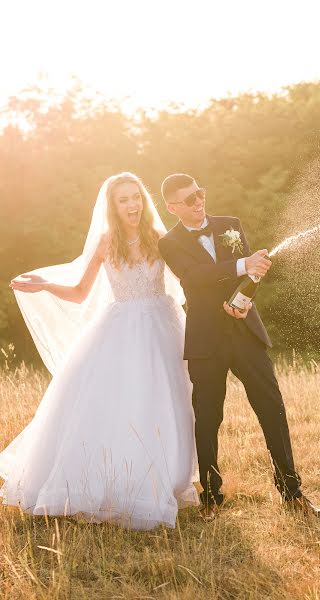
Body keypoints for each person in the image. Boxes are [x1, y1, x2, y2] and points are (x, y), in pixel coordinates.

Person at [0, 172, 198, 530]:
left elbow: (191, 278)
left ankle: (165, 477)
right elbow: (79, 292)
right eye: (123, 199)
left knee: (167, 402)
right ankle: (115, 481)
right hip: (121, 330)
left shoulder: (160, 238)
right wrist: (44, 285)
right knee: (119, 402)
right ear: (113, 206)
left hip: (162, 327)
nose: (132, 204)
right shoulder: (107, 243)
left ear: (144, 199)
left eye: (135, 196)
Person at [158, 173, 320, 521]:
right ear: (172, 207)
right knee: (208, 418)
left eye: (199, 192)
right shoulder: (169, 242)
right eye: (188, 199)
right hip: (206, 339)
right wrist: (241, 265)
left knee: (272, 410)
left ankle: (292, 493)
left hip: (245, 332)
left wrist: (246, 299)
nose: (198, 201)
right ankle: (211, 499)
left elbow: (254, 274)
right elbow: (192, 279)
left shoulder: (230, 225)